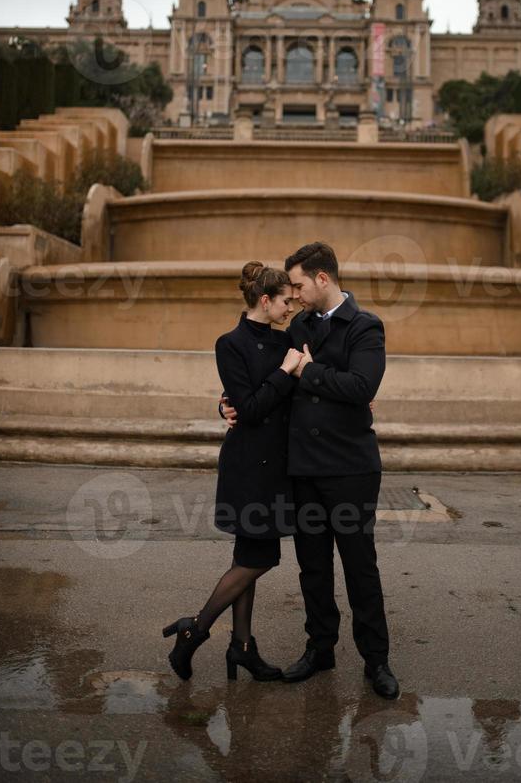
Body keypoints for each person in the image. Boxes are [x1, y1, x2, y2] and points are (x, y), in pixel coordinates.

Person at [222, 242, 400, 700]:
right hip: (301, 467)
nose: (295, 295)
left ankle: (376, 660)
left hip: (350, 469)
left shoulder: (365, 326)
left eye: (299, 285)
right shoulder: (296, 325)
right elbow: (261, 376)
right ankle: (320, 648)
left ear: (323, 279)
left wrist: (309, 371)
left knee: (361, 568)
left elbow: (362, 385)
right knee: (313, 568)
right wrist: (226, 404)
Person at [162, 261, 303, 683]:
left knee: (249, 555)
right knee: (261, 557)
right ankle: (195, 628)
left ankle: (241, 647)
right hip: (248, 466)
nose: (290, 306)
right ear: (265, 300)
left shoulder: (287, 340)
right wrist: (282, 373)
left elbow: (252, 400)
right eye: (284, 300)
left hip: (277, 465)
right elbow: (253, 407)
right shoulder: (230, 344)